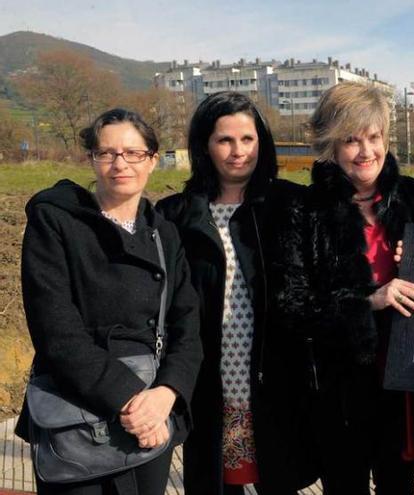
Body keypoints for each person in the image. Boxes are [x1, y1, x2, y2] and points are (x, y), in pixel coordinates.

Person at [16, 108, 203, 494]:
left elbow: (188, 324)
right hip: (75, 412)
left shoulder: (163, 234)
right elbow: (56, 331)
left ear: (152, 160)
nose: (120, 163)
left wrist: (167, 394)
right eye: (107, 153)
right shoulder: (56, 222)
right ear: (92, 160)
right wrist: (130, 400)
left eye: (133, 153)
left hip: (152, 412)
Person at [270, 81, 414, 495]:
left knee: (399, 485)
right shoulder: (303, 209)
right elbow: (291, 305)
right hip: (337, 390)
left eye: (374, 137)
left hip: (405, 379)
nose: (366, 151)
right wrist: (370, 300)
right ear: (330, 145)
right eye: (351, 140)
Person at [156, 92, 312, 494]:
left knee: (278, 479)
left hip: (274, 378)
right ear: (205, 146)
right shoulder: (177, 213)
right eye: (225, 140)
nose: (238, 151)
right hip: (208, 378)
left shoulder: (291, 204)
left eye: (248, 139)